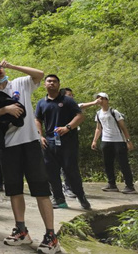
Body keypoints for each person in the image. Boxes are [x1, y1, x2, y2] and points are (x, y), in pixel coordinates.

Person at [0, 59, 60, 254]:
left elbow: (39, 74)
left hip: (30, 143)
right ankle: (22, 231)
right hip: (8, 146)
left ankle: (51, 236)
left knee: (41, 189)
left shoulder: (20, 83)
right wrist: (5, 110)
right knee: (14, 190)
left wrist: (12, 66)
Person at [35, 75, 90, 210]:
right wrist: (40, 136)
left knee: (71, 170)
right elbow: (37, 120)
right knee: (51, 172)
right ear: (45, 85)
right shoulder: (41, 103)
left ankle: (80, 196)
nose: (51, 83)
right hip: (48, 142)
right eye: (49, 81)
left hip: (68, 142)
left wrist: (68, 127)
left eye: (54, 81)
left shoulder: (68, 101)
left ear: (59, 84)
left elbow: (80, 116)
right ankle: (59, 199)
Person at [91, 92, 136, 194]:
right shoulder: (98, 114)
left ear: (107, 100)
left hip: (118, 141)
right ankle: (112, 184)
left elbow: (123, 127)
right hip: (106, 141)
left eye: (102, 98)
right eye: (98, 99)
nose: (100, 101)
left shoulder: (114, 112)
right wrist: (94, 140)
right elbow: (98, 128)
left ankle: (130, 186)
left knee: (123, 163)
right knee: (108, 163)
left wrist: (128, 141)